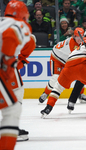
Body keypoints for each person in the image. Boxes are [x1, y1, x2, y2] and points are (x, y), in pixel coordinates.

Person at [0, 0, 35, 148]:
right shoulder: (19, 25)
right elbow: (12, 35)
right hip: (3, 69)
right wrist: (8, 63)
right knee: (13, 108)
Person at [39, 27, 86, 106]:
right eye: (77, 37)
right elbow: (75, 59)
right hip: (57, 58)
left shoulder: (82, 41)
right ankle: (45, 93)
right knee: (56, 77)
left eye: (81, 37)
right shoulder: (72, 44)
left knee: (80, 75)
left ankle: (80, 93)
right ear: (74, 36)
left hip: (66, 59)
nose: (79, 39)